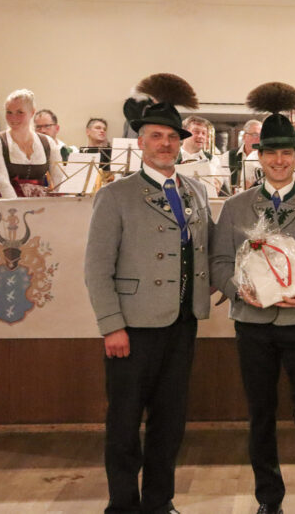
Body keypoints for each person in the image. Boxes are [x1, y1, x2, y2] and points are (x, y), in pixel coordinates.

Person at [212, 83, 295, 514]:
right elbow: (218, 261)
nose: (279, 160)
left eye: (287, 152)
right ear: (259, 156)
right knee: (260, 414)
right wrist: (237, 290)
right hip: (252, 325)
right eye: (271, 153)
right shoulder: (236, 208)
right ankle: (268, 499)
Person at [84, 83, 213, 514]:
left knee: (169, 421)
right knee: (124, 422)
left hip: (182, 322)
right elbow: (96, 268)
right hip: (132, 327)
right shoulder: (115, 195)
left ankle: (160, 502)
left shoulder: (195, 191)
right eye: (156, 136)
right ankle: (122, 504)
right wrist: (111, 326)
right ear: (140, 142)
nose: (165, 143)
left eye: (172, 137)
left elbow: (204, 252)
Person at [0, 89, 64, 198]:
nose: (13, 117)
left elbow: (59, 179)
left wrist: (61, 203)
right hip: (5, 202)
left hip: (40, 203)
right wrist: (18, 205)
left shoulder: (48, 143)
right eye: (9, 112)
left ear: (32, 112)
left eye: (20, 112)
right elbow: (1, 180)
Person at [179, 115, 227, 196]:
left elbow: (217, 183)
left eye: (204, 133)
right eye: (196, 132)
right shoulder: (170, 156)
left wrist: (216, 183)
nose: (201, 136)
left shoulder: (213, 160)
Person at [224, 119, 262, 190]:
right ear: (244, 136)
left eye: (261, 135)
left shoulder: (267, 157)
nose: (259, 139)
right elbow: (223, 182)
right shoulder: (227, 156)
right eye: (255, 135)